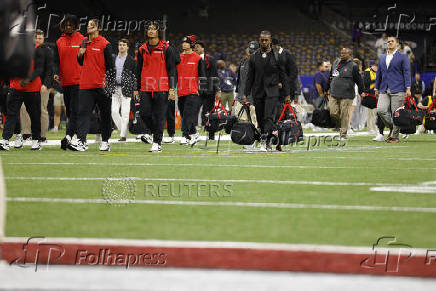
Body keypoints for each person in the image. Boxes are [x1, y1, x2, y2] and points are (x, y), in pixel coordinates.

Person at [70, 19, 114, 151]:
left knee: (105, 114)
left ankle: (105, 141)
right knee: (83, 113)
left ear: (98, 28)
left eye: (92, 26)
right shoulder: (83, 42)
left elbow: (111, 67)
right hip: (85, 85)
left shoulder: (105, 44)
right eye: (88, 25)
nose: (89, 27)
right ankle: (81, 142)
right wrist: (80, 53)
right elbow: (80, 62)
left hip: (102, 86)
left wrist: (110, 85)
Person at [135, 21, 178, 152]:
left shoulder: (167, 48)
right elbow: (138, 69)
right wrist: (136, 88)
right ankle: (157, 134)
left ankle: (157, 142)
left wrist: (172, 88)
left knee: (159, 116)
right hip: (146, 88)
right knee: (144, 114)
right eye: (149, 29)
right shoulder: (142, 49)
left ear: (158, 32)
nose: (151, 31)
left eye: (154, 29)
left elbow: (172, 70)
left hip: (162, 88)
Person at [245, 30, 290, 151]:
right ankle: (267, 138)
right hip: (258, 92)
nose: (264, 42)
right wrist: (245, 93)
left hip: (272, 92)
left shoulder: (277, 56)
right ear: (259, 41)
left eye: (266, 40)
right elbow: (250, 76)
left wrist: (287, 94)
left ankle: (265, 140)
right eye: (262, 40)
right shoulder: (254, 57)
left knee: (268, 116)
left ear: (270, 41)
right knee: (260, 118)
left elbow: (284, 76)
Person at [0, 31, 44, 151]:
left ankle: (36, 140)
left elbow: (40, 69)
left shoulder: (38, 50)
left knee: (34, 116)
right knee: (11, 115)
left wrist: (28, 79)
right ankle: (5, 140)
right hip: (15, 87)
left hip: (32, 88)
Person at [54, 14, 85, 150]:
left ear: (75, 25)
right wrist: (56, 73)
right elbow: (56, 60)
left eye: (71, 24)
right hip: (65, 82)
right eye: (66, 24)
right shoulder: (58, 42)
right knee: (69, 112)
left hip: (79, 80)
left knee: (75, 110)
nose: (68, 27)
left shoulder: (83, 39)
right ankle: (74, 136)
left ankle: (71, 136)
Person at [375, 36, 411, 143]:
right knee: (380, 110)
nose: (389, 43)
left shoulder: (403, 56)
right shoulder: (382, 57)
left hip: (399, 88)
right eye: (388, 41)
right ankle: (393, 126)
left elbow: (407, 72)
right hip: (384, 88)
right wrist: (376, 87)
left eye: (392, 41)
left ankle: (395, 137)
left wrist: (408, 88)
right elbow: (379, 74)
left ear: (397, 44)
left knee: (396, 114)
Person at [20, 29, 53, 144]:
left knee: (42, 109)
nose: (38, 40)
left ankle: (42, 136)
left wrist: (46, 84)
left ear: (43, 39)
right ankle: (26, 134)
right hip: (29, 84)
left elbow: (49, 69)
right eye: (36, 38)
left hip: (43, 85)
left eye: (40, 38)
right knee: (24, 108)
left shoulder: (47, 51)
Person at [177, 35, 206, 146]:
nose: (184, 44)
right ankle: (193, 134)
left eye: (187, 42)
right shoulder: (178, 57)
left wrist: (201, 90)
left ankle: (185, 136)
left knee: (188, 114)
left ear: (191, 45)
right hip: (180, 91)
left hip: (192, 91)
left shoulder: (198, 58)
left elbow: (202, 76)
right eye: (183, 42)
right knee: (184, 115)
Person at [329, 48, 363, 140]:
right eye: (341, 53)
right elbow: (330, 76)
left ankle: (343, 134)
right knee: (332, 112)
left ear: (350, 55)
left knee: (344, 113)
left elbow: (359, 80)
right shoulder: (336, 63)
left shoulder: (353, 66)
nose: (342, 54)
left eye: (344, 53)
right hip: (334, 92)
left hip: (347, 94)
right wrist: (327, 88)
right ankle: (342, 124)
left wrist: (361, 92)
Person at [193, 39, 220, 140]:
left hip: (209, 90)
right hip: (196, 90)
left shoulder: (211, 59)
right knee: (194, 110)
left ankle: (211, 134)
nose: (195, 49)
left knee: (209, 112)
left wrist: (218, 90)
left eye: (197, 47)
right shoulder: (193, 59)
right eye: (194, 47)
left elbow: (215, 75)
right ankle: (193, 133)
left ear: (202, 48)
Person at [111, 38, 137, 142]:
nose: (121, 46)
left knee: (125, 112)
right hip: (115, 88)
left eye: (123, 45)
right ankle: (124, 129)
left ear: (127, 47)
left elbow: (134, 76)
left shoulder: (131, 60)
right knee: (114, 112)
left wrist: (135, 89)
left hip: (126, 88)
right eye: (120, 45)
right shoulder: (113, 58)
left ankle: (123, 136)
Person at [235, 41, 259, 149]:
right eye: (249, 50)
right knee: (242, 119)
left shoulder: (259, 63)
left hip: (253, 96)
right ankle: (246, 139)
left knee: (253, 119)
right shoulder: (243, 61)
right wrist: (238, 93)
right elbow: (239, 78)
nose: (250, 52)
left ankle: (253, 140)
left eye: (253, 51)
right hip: (240, 95)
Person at [362, 60, 381, 139]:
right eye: (375, 66)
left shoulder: (377, 72)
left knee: (374, 112)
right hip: (369, 93)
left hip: (375, 93)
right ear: (371, 66)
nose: (376, 68)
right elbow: (366, 82)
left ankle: (373, 126)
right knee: (370, 112)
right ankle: (370, 128)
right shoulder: (367, 71)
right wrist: (376, 81)